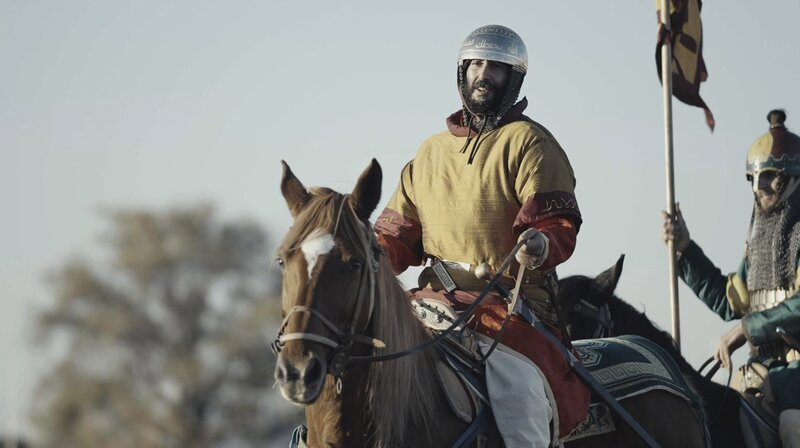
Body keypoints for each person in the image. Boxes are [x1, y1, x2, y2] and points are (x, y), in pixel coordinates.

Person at [374, 24, 588, 447]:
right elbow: (396, 237)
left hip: (507, 310)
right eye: (475, 65)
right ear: (462, 72)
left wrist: (541, 242)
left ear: (513, 78)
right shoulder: (430, 152)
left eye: (496, 67)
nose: (483, 74)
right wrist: (361, 254)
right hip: (431, 302)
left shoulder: (530, 142)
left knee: (521, 402)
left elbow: (555, 225)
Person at [662, 109, 800, 447]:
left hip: (797, 372)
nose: (758, 186)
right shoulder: (759, 244)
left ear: (793, 178)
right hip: (759, 371)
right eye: (753, 178)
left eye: (768, 176)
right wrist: (685, 250)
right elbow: (731, 301)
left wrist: (745, 330)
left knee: (794, 428)